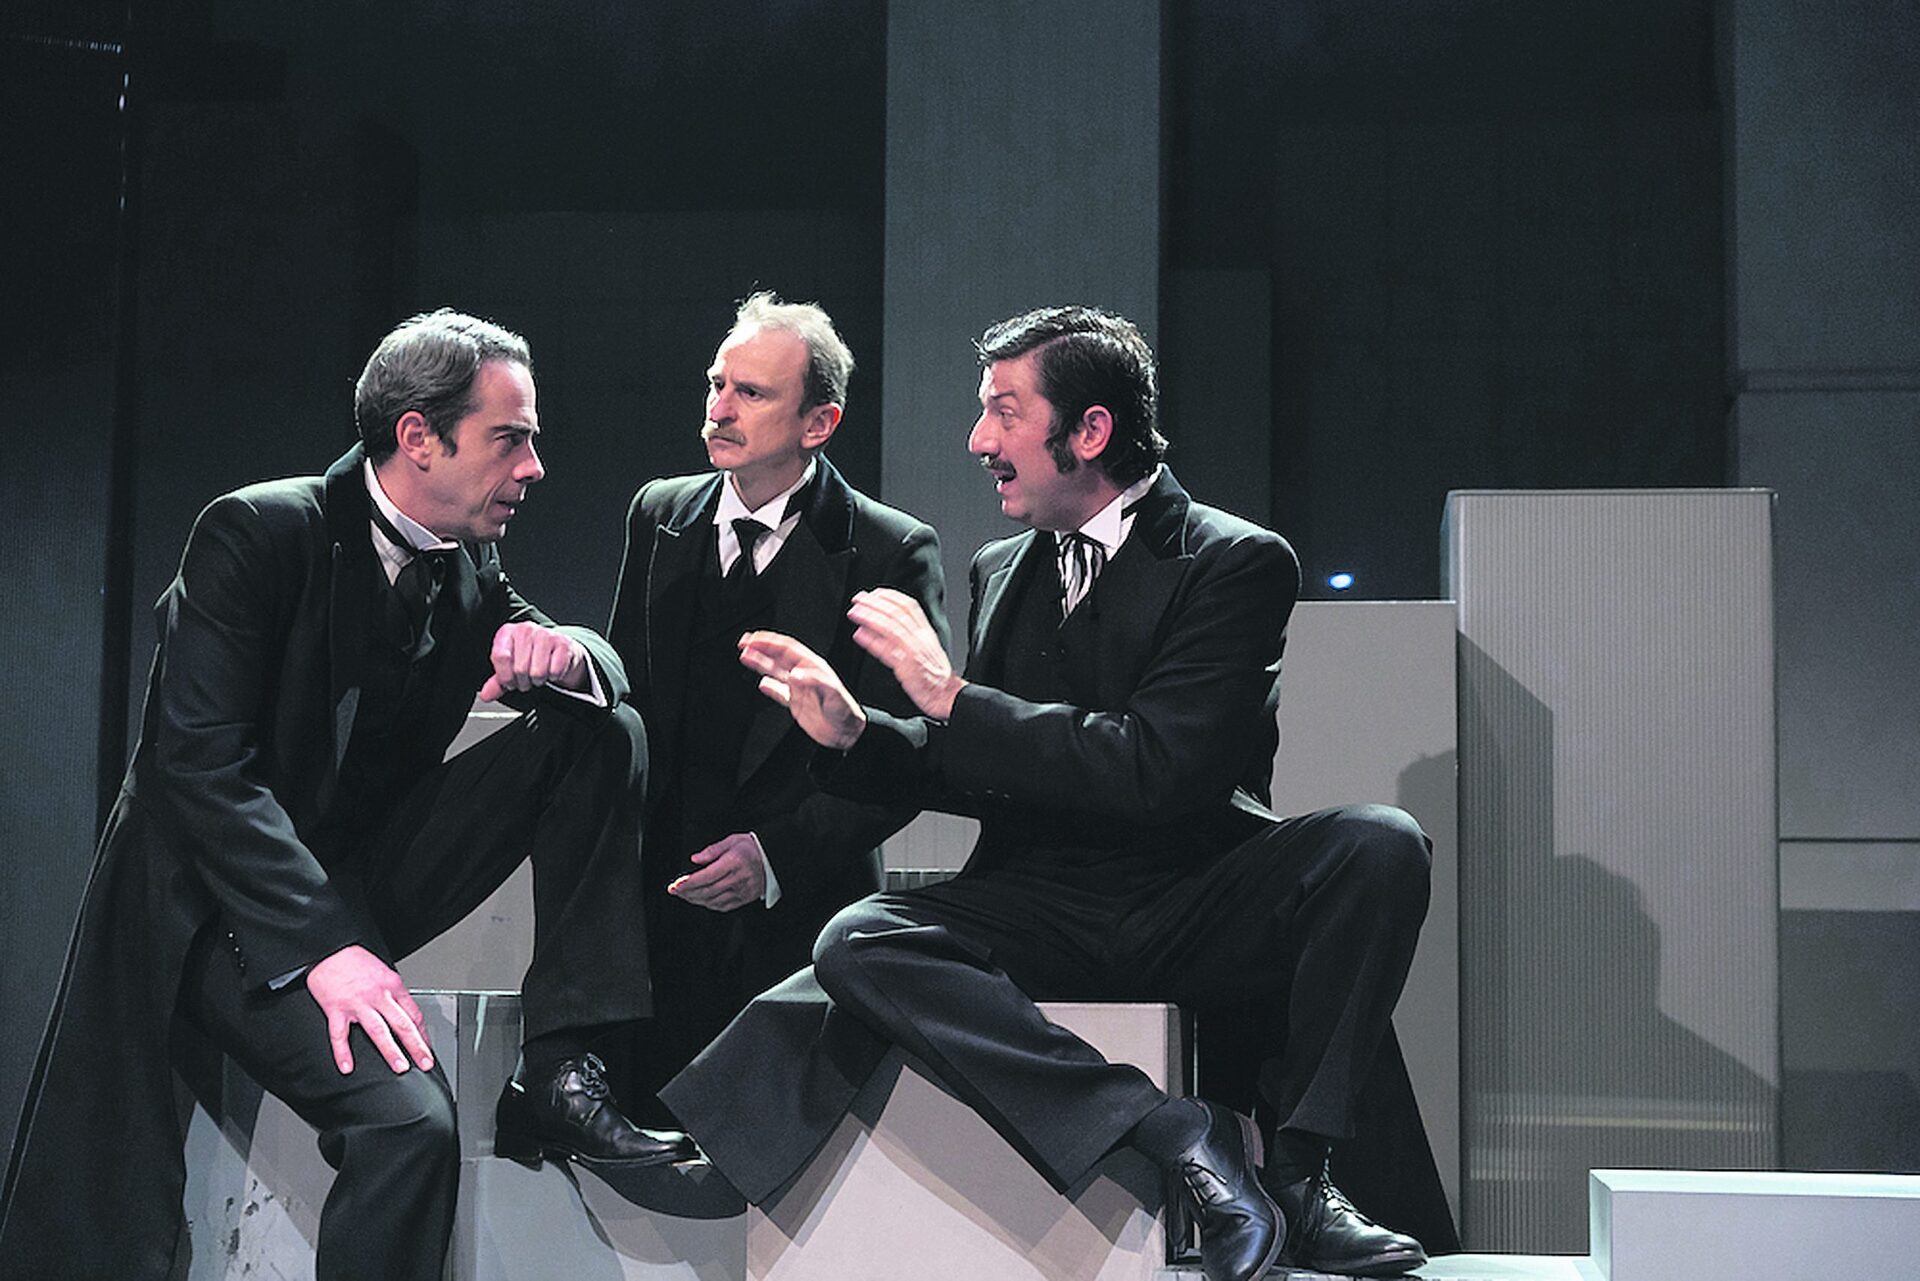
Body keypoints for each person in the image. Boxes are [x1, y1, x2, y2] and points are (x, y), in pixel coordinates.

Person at [662, 306, 1433, 1280]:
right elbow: (977, 762)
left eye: (1003, 411)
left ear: (1091, 430)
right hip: (1041, 900)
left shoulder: (1234, 559)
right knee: (858, 937)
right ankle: (1171, 1133)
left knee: (1379, 842)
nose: (978, 440)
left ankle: (1298, 1183)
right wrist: (857, 734)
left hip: (1189, 894)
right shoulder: (1001, 569)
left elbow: (1160, 767)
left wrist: (950, 695)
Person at [0, 310, 688, 1281]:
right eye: (509, 438)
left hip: (360, 880)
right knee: (409, 1127)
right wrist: (327, 949)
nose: (534, 467)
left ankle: (562, 1064)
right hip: (225, 908)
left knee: (600, 725)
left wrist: (570, 653)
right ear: (418, 437)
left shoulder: (465, 556)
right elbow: (198, 769)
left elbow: (572, 652)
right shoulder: (255, 532)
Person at [607, 292, 946, 1118]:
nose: (720, 409)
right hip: (664, 914)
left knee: (784, 1156)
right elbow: (629, 699)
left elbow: (906, 753)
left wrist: (773, 856)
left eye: (751, 393)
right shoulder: (659, 513)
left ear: (819, 423)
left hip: (799, 918)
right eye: (716, 384)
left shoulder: (889, 546)